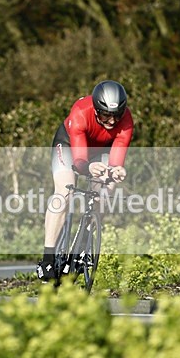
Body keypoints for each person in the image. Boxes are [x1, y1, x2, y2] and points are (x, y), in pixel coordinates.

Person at [36, 80, 134, 281]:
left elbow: (116, 159)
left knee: (106, 192)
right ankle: (47, 259)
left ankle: (82, 246)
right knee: (64, 192)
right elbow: (80, 160)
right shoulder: (81, 111)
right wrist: (88, 167)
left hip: (101, 151)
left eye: (117, 115)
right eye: (106, 114)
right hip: (70, 146)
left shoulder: (126, 121)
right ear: (97, 109)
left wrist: (116, 171)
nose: (112, 121)